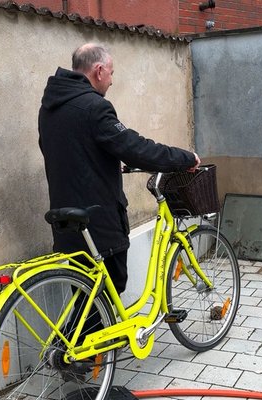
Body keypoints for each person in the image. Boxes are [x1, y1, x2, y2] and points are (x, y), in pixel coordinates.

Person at [38, 43, 200, 295]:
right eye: (111, 73)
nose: (112, 81)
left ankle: (80, 335)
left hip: (67, 219)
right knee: (109, 289)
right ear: (99, 70)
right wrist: (185, 158)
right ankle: (89, 336)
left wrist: (104, 158)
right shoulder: (94, 106)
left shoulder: (50, 107)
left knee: (86, 296)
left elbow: (67, 149)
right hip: (98, 220)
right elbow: (136, 148)